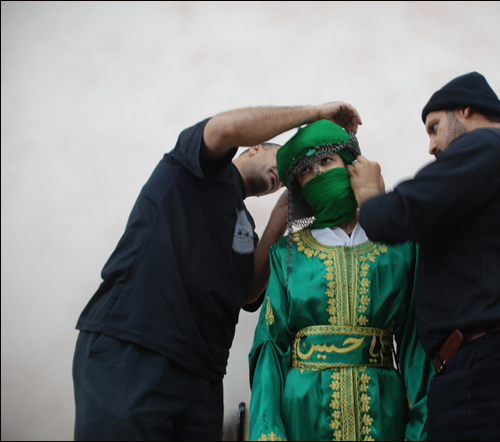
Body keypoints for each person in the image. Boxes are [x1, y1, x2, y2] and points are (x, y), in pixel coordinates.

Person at [72, 103, 362, 440]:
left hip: (203, 376)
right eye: (279, 162)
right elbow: (225, 129)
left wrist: (278, 221)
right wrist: (315, 114)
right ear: (254, 147)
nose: (282, 177)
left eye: (287, 177)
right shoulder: (193, 168)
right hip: (138, 349)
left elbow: (248, 294)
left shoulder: (245, 226)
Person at [348, 71, 500, 440]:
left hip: (495, 377)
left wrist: (369, 194)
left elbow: (394, 218)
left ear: (465, 110)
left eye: (434, 127)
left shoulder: (489, 144)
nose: (431, 146)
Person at [248, 120, 434, 441]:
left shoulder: (400, 246)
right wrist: (268, 431)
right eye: (305, 170)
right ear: (299, 187)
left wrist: (420, 430)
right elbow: (270, 347)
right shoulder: (286, 254)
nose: (318, 172)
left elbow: (416, 345)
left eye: (326, 160)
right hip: (304, 413)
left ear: (350, 165)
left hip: (383, 410)